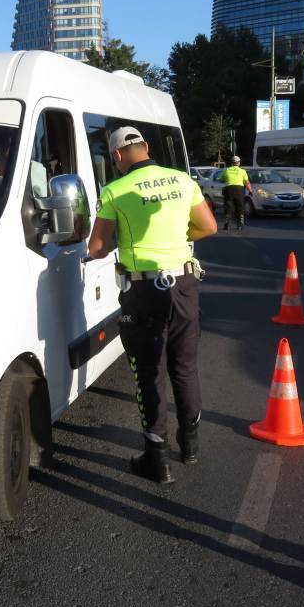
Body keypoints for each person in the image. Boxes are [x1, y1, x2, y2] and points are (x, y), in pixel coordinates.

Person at [86, 126, 218, 483]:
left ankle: (157, 461)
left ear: (116, 157)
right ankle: (189, 447)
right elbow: (208, 227)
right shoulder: (182, 180)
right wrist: (177, 236)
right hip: (185, 283)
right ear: (145, 147)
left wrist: (120, 241)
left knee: (149, 372)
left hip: (144, 289)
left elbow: (96, 248)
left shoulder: (115, 190)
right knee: (185, 368)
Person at [220, 155, 251, 231]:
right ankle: (240, 226)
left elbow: (221, 179)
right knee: (240, 208)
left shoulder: (226, 170)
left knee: (228, 207)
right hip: (239, 190)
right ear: (238, 163)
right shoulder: (243, 171)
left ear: (232, 163)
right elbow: (246, 182)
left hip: (229, 189)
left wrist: (226, 180)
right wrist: (250, 190)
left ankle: (227, 225)